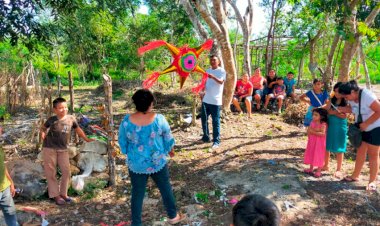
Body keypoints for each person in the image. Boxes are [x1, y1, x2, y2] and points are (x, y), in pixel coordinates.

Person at [118, 89, 186, 225]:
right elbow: (168, 138)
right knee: (165, 188)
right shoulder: (159, 119)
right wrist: (170, 150)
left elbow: (122, 141)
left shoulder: (126, 121)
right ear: (151, 103)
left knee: (137, 193)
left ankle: (136, 223)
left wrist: (127, 151)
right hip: (157, 162)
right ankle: (173, 216)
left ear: (135, 104)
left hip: (136, 164)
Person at [40, 97, 94, 205]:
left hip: (63, 149)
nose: (64, 109)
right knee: (51, 173)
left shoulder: (71, 119)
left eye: (65, 107)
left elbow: (78, 129)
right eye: (60, 108)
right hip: (49, 148)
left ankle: (63, 194)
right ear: (54, 109)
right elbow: (43, 128)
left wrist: (86, 139)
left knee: (66, 171)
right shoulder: (51, 120)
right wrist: (43, 133)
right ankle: (55, 196)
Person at [338, 80, 380, 191]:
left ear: (352, 92)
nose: (346, 99)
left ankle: (372, 181)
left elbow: (379, 110)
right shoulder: (352, 97)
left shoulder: (367, 96)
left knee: (373, 154)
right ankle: (355, 175)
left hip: (375, 127)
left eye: (346, 97)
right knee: (361, 151)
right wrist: (344, 109)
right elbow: (355, 109)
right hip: (362, 127)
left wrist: (367, 123)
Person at [200, 55, 226, 149]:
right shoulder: (207, 70)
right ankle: (206, 137)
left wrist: (213, 77)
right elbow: (204, 82)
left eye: (214, 60)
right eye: (211, 60)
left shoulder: (221, 71)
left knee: (215, 121)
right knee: (204, 119)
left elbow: (221, 82)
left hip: (216, 101)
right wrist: (202, 92)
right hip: (206, 99)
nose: (212, 61)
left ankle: (216, 141)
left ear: (218, 61)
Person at [323, 82, 348, 179]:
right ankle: (326, 165)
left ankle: (338, 169)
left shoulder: (346, 101)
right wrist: (335, 113)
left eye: (339, 91)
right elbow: (327, 110)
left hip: (340, 126)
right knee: (327, 145)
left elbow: (344, 115)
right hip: (330, 124)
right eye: (335, 91)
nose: (336, 93)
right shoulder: (331, 100)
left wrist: (333, 113)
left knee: (340, 146)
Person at [303, 108, 328, 178]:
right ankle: (311, 169)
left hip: (320, 143)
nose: (313, 116)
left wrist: (313, 132)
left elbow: (323, 134)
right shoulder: (312, 122)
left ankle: (318, 171)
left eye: (316, 115)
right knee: (311, 153)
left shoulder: (323, 124)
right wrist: (309, 136)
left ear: (322, 116)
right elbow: (309, 130)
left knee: (319, 155)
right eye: (313, 115)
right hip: (312, 141)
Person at [0, 128, 18, 226]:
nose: (1, 129)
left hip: (5, 188)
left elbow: (2, 165)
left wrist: (10, 181)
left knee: (11, 216)